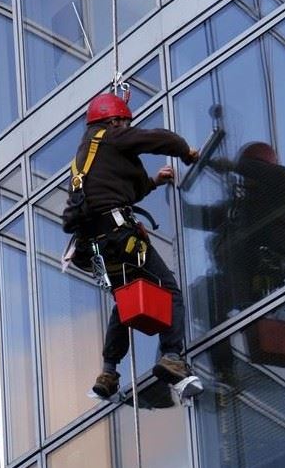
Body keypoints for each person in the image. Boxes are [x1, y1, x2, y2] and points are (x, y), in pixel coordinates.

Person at [65, 93, 202, 400]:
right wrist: (184, 151)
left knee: (126, 300)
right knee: (169, 290)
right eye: (125, 123)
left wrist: (153, 181)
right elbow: (156, 139)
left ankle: (108, 371)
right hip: (119, 235)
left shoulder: (83, 159)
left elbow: (122, 189)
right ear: (114, 121)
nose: (128, 128)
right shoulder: (111, 137)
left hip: (94, 245)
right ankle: (172, 356)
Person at [183, 141, 285, 324]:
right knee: (202, 294)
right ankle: (223, 334)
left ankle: (244, 312)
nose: (246, 181)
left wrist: (232, 165)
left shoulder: (283, 181)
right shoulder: (242, 207)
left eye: (249, 175)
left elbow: (261, 172)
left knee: (232, 249)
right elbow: (205, 216)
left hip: (270, 262)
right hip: (244, 272)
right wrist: (175, 199)